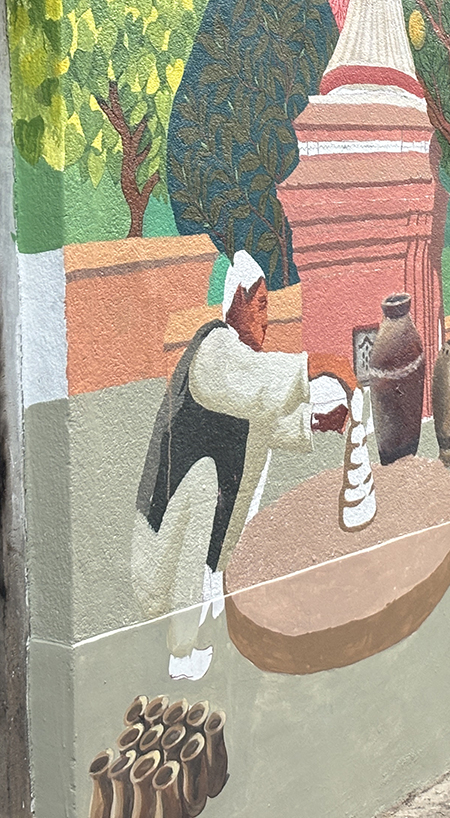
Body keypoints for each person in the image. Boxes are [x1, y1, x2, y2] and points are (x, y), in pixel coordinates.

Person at [132, 250, 355, 680]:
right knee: (202, 484)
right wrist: (321, 367)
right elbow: (254, 386)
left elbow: (262, 419)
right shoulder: (213, 352)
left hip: (191, 560)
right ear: (237, 301)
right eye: (262, 305)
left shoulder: (236, 370)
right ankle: (181, 656)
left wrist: (319, 420)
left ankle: (199, 639)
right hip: (162, 558)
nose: (267, 319)